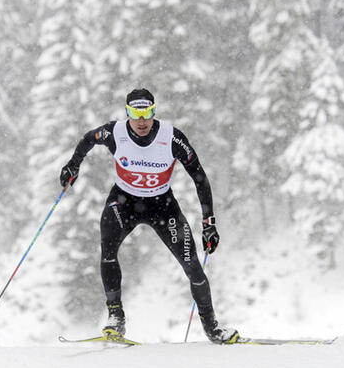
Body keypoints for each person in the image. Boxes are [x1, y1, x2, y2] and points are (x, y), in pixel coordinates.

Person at [59, 88, 239, 344]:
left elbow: (199, 177)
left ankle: (212, 328)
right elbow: (89, 139)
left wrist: (209, 223)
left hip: (162, 206)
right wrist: (72, 166)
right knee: (107, 250)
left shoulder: (172, 138)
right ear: (127, 113)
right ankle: (115, 317)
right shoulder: (115, 133)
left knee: (193, 266)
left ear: (154, 111)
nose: (142, 121)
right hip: (124, 202)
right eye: (135, 113)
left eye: (147, 113)